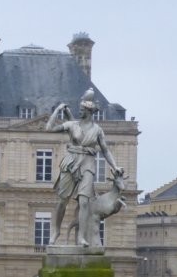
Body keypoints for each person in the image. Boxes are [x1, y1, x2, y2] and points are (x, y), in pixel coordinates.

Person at [45, 89, 125, 247]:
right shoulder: (72, 125)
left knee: (84, 203)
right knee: (62, 201)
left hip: (88, 163)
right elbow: (49, 128)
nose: (79, 111)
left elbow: (105, 150)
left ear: (89, 111)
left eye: (82, 109)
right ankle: (56, 231)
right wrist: (57, 110)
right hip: (71, 162)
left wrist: (115, 166)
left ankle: (81, 237)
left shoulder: (97, 130)